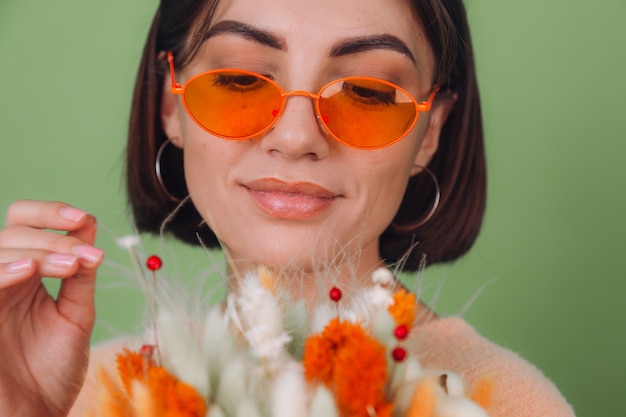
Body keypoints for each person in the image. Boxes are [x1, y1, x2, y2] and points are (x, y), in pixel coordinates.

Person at [0, 0, 575, 416]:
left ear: (430, 131)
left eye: (370, 92)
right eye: (239, 78)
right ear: (170, 105)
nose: (297, 136)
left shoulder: (503, 403)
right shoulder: (86, 392)